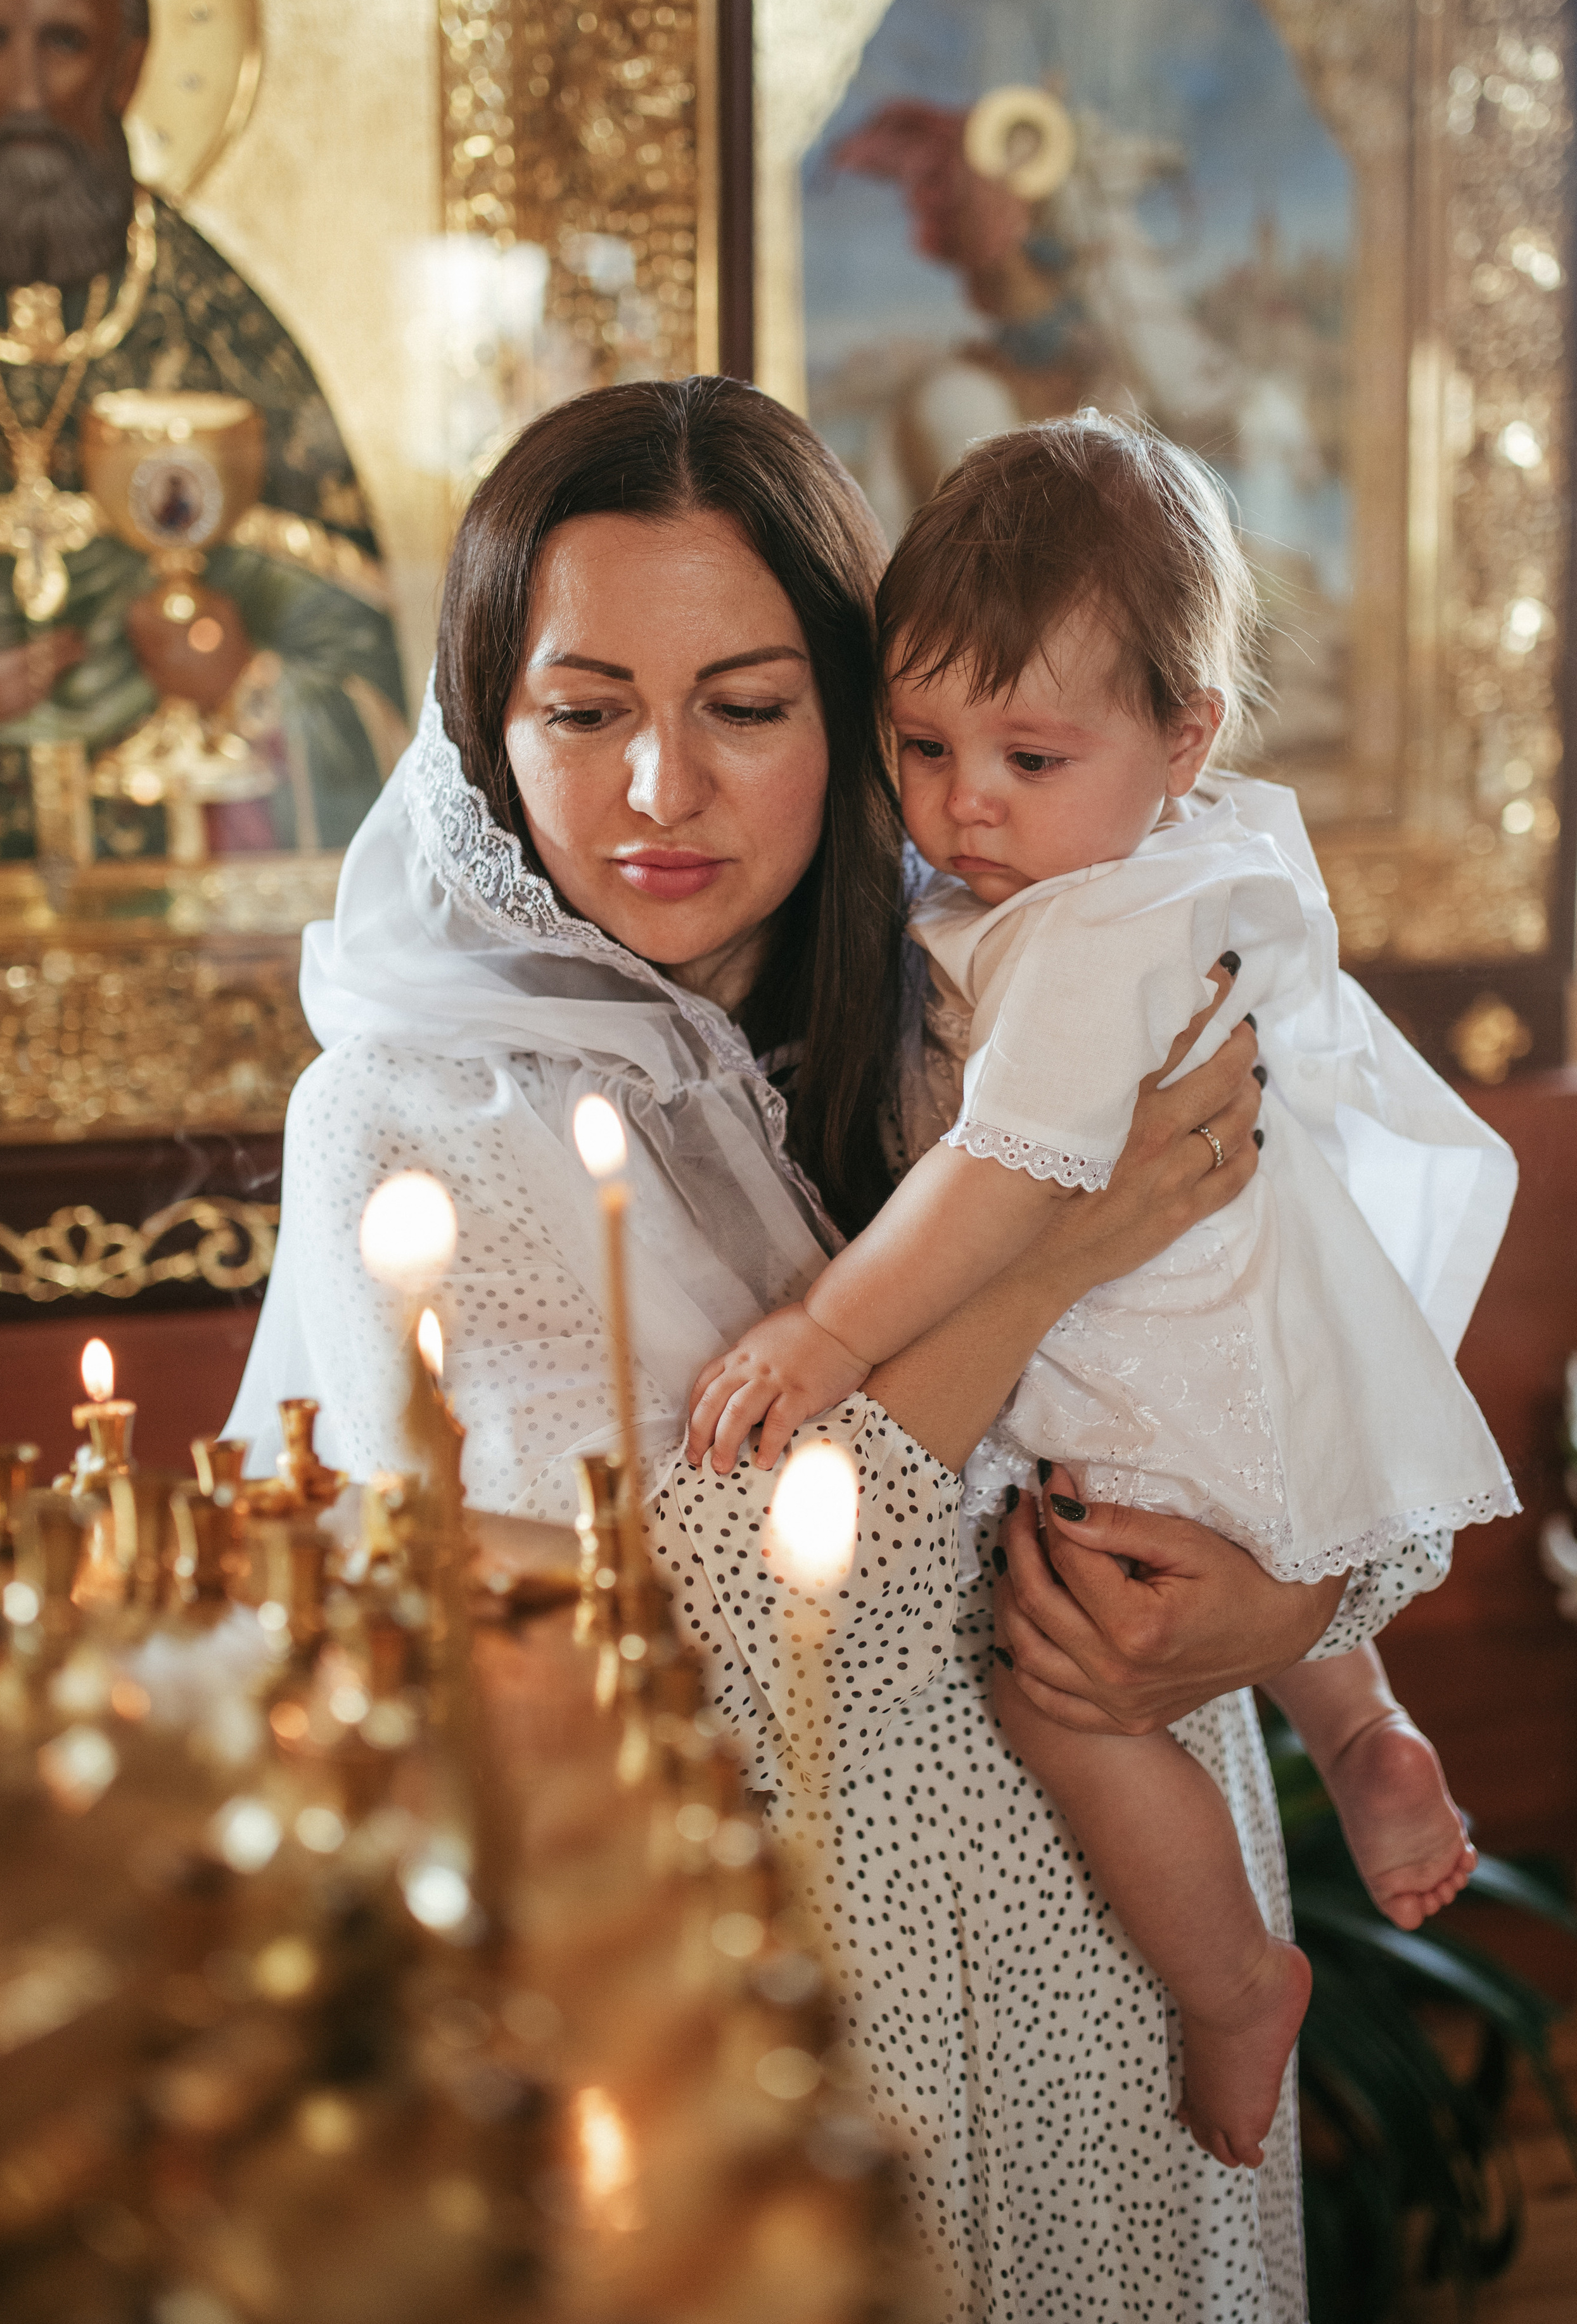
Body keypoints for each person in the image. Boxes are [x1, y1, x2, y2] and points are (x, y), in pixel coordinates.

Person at [230, 376, 1458, 2323]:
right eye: (584, 710)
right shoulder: (416, 1124)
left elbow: (1307, 1353)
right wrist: (1045, 1261)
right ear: (487, 720)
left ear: (857, 712)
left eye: (745, 704)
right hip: (774, 2030)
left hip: (1129, 1996)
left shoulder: (1015, 974)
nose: (661, 790)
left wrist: (1275, 1601)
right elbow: (668, 1638)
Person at [687, 412, 1517, 2171]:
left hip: (1151, 1375)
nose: (963, 803)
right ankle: (1364, 1727)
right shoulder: (1132, 865)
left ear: (1182, 736)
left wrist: (826, 1330)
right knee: (1224, 1554)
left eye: (1029, 754)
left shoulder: (1089, 936)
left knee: (1061, 1690)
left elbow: (1007, 1183)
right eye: (919, 744)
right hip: (1226, 1364)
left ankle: (1233, 1986)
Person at [0, 0, 407, 862]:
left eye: (67, 42)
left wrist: (245, 680)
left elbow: (381, 693)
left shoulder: (221, 331)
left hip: (194, 958)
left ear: (128, 66)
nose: (28, 91)